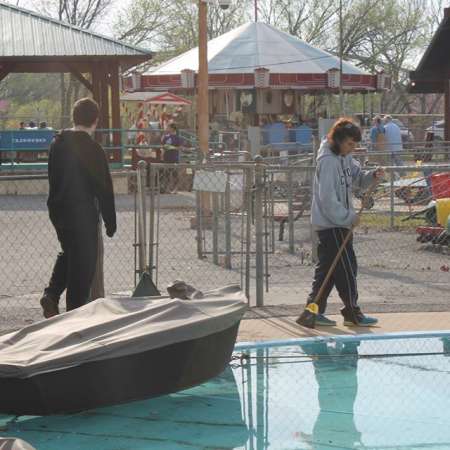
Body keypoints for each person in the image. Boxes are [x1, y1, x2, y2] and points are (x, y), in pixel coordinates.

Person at [298, 118, 383, 327]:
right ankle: (352, 312)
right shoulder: (327, 161)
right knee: (346, 267)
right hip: (331, 224)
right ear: (337, 140)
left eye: (354, 145)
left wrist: (371, 176)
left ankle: (312, 310)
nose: (352, 149)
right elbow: (327, 199)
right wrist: (348, 217)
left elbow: (357, 178)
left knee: (327, 270)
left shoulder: (345, 157)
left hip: (340, 223)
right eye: (349, 144)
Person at [40, 98, 116, 318]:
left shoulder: (57, 143)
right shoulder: (93, 149)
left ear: (74, 117)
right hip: (82, 213)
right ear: (95, 121)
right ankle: (74, 316)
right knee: (83, 267)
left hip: (58, 210)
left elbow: (52, 177)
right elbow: (104, 189)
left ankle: (52, 294)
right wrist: (111, 222)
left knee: (69, 252)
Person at [160, 123, 181, 193]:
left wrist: (171, 147)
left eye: (168, 127)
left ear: (172, 128)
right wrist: (162, 153)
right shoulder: (166, 137)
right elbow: (163, 146)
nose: (167, 128)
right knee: (166, 173)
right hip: (167, 157)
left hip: (174, 157)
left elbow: (179, 147)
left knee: (175, 173)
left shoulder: (177, 137)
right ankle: (167, 188)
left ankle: (175, 189)